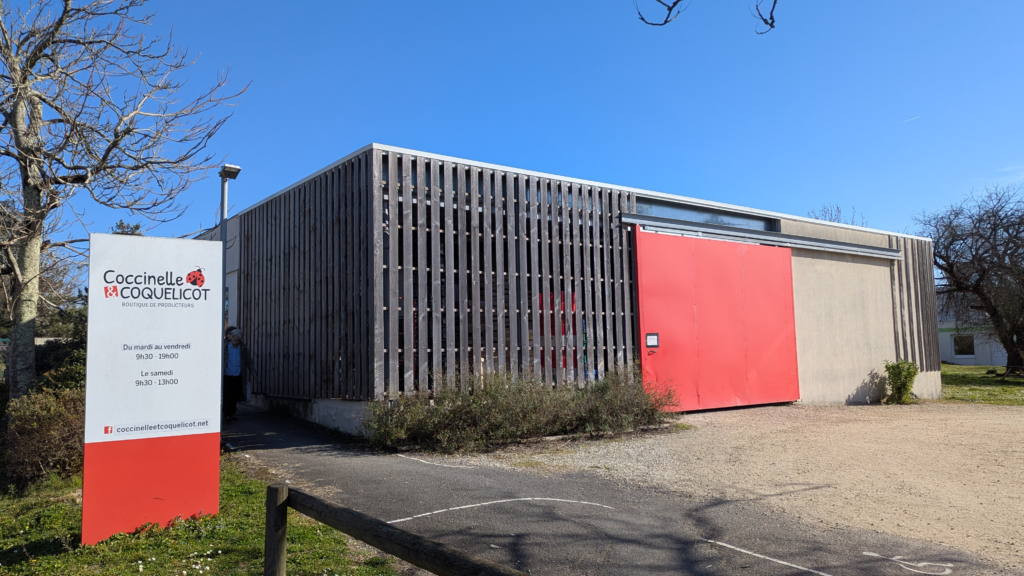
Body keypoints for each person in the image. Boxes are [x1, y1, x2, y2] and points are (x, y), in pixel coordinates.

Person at [223, 328, 255, 422]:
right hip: (227, 375)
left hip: (238, 375)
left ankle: (231, 413)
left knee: (234, 395)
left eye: (238, 340)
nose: (236, 342)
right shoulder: (225, 347)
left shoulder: (243, 349)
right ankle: (227, 414)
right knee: (227, 395)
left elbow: (249, 361)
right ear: (231, 338)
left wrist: (253, 371)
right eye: (235, 340)